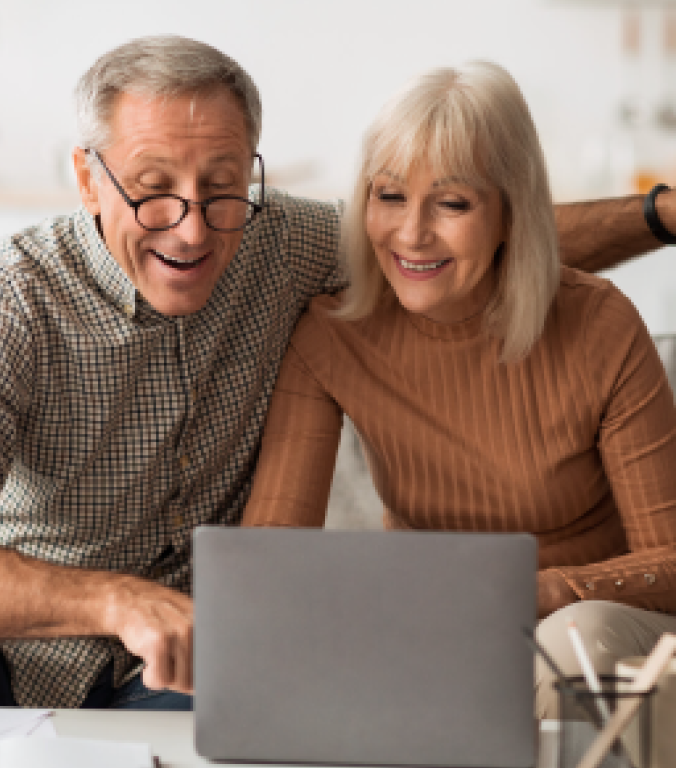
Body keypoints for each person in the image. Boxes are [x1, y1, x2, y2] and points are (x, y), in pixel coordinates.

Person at [0, 37, 671, 711]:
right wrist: (116, 603)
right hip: (9, 655)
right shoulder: (6, 300)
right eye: (153, 187)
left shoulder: (283, 243)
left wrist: (658, 214)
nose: (192, 228)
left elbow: (463, 246)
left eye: (222, 185)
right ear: (87, 178)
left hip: (195, 667)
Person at [241, 61, 676, 718]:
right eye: (390, 196)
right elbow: (270, 557)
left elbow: (668, 562)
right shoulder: (332, 335)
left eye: (452, 203)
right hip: (441, 630)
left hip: (604, 631)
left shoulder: (599, 323)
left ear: (510, 214)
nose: (412, 233)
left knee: (570, 640)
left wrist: (549, 591)